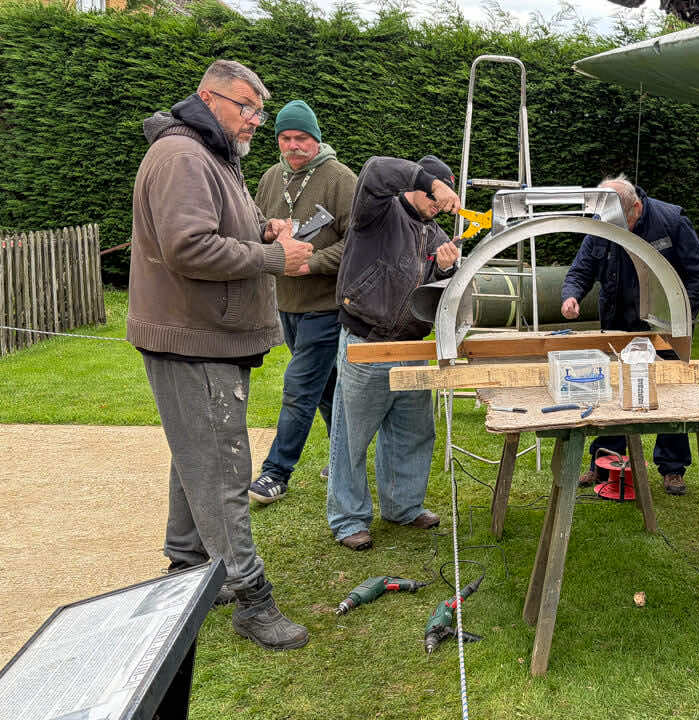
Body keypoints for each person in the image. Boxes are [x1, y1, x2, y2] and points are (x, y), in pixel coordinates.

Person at [127, 59, 313, 650]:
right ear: (210, 98)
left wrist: (263, 230)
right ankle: (251, 600)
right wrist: (272, 259)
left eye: (259, 109)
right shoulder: (183, 157)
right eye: (247, 107)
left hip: (204, 334)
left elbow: (220, 226)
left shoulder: (211, 154)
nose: (257, 120)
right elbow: (190, 248)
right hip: (194, 336)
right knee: (224, 470)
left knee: (198, 458)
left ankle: (188, 571)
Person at [325, 155, 462, 551]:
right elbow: (373, 170)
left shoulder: (436, 236)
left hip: (412, 345)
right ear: (417, 186)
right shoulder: (377, 211)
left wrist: (445, 270)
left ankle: (403, 506)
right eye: (434, 194)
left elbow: (431, 298)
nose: (437, 206)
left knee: (413, 432)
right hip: (367, 341)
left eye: (441, 198)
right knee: (351, 437)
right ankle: (348, 518)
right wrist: (429, 180)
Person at [560, 174, 699, 496]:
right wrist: (570, 295)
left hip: (666, 328)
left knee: (670, 394)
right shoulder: (602, 222)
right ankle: (606, 461)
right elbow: (581, 269)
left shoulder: (670, 221)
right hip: (616, 323)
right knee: (612, 393)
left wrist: (678, 317)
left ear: (637, 208)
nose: (610, 227)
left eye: (619, 221)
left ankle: (672, 468)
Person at [248, 100, 357, 505]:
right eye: (285, 138)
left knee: (298, 385)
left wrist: (310, 264)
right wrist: (267, 239)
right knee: (325, 386)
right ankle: (345, 454)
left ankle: (276, 473)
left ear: (316, 139)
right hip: (286, 302)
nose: (293, 146)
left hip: (325, 304)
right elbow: (256, 226)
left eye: (301, 138)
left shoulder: (341, 179)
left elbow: (356, 244)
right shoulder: (270, 177)